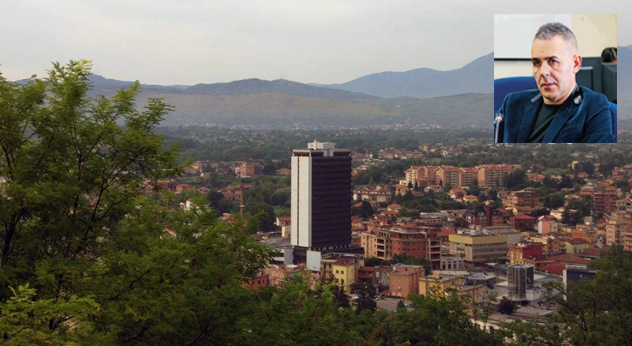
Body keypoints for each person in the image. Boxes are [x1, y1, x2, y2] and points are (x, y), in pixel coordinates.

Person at [495, 22, 614, 143]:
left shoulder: (593, 107)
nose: (543, 72)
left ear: (576, 64)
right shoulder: (512, 103)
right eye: (537, 63)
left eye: (553, 61)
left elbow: (596, 160)